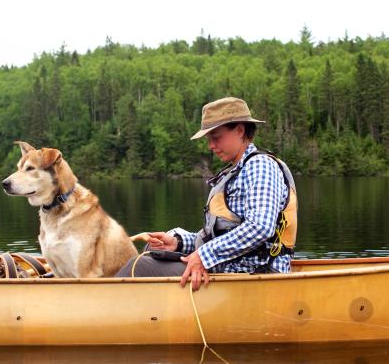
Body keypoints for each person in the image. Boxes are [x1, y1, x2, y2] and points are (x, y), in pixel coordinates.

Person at [116, 97, 297, 289]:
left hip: (255, 276)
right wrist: (177, 243)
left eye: (216, 137)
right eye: (209, 139)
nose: (210, 145)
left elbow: (260, 227)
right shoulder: (235, 172)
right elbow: (216, 238)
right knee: (151, 251)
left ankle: (101, 312)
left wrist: (203, 256)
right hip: (230, 270)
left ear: (240, 130)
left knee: (141, 266)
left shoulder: (260, 166)